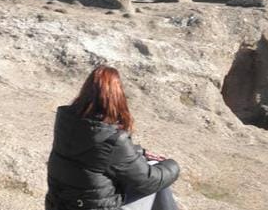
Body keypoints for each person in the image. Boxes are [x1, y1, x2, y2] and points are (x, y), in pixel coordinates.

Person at [46, 65, 180, 210]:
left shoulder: (67, 123)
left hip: (59, 205)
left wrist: (139, 152)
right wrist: (172, 165)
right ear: (117, 96)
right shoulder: (112, 139)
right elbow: (147, 180)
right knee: (156, 179)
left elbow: (93, 154)